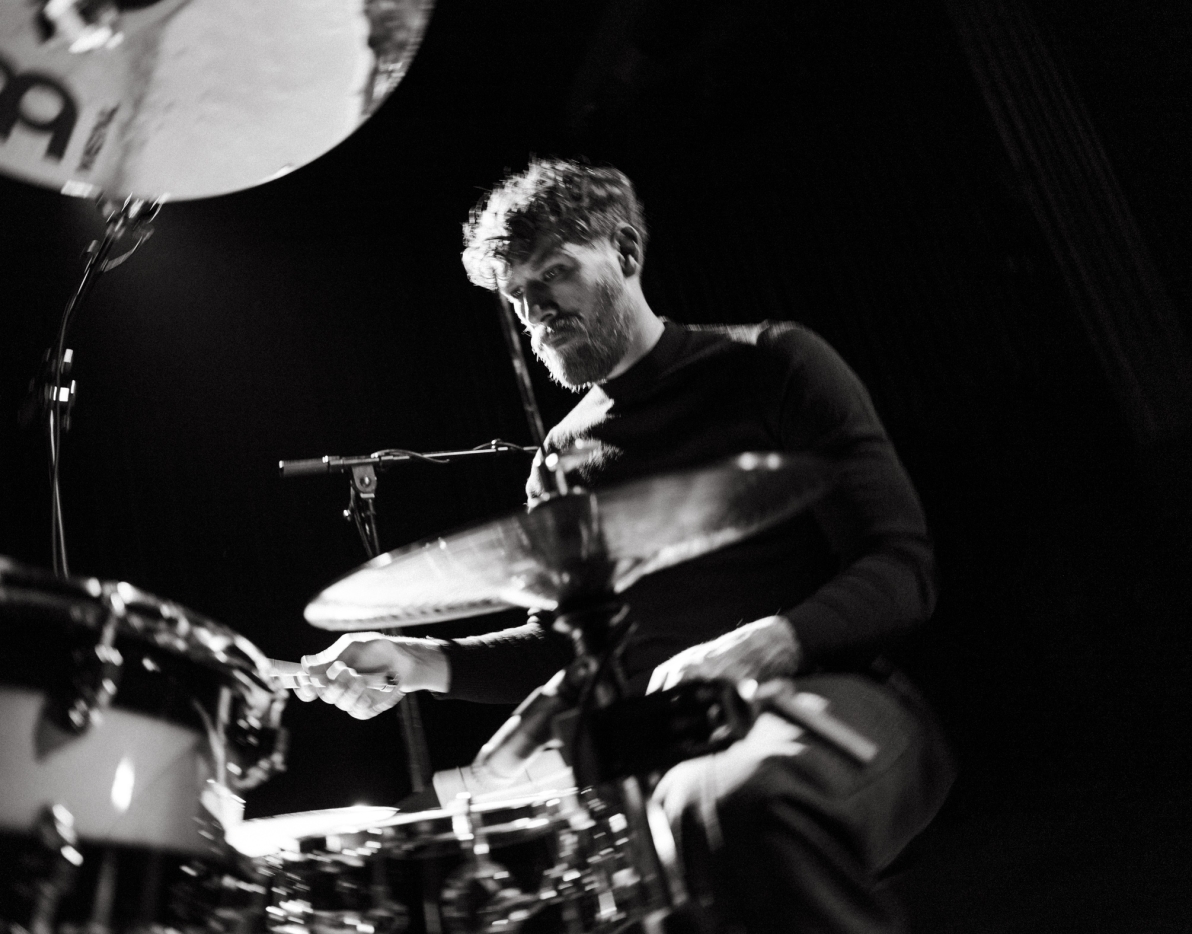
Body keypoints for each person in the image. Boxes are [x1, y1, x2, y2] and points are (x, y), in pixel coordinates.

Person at [294, 158, 954, 933]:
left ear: (627, 252)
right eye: (517, 296)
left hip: (831, 700)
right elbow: (568, 647)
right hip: (664, 739)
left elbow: (899, 569)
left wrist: (766, 643)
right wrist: (417, 663)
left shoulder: (770, 363)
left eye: (555, 274)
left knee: (727, 801)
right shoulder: (560, 459)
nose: (536, 310)